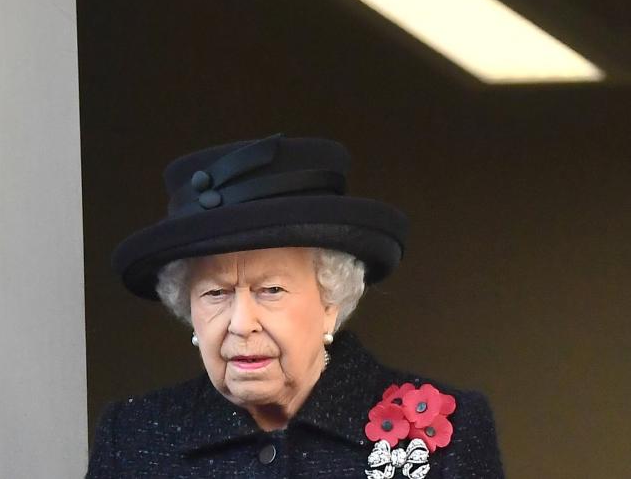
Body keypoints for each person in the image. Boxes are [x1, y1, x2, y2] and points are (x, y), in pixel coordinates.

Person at [86, 134, 505, 478]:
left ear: (331, 301)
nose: (241, 323)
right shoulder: (133, 437)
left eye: (270, 290)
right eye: (216, 293)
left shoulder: (448, 431)